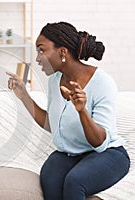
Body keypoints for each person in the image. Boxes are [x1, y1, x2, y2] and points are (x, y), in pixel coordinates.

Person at [7, 22, 130, 199]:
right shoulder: (55, 80)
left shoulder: (102, 82)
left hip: (107, 154)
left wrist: (82, 111)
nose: (38, 58)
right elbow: (52, 124)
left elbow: (100, 142)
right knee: (49, 177)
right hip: (72, 154)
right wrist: (24, 96)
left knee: (75, 180)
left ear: (62, 52)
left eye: (42, 50)